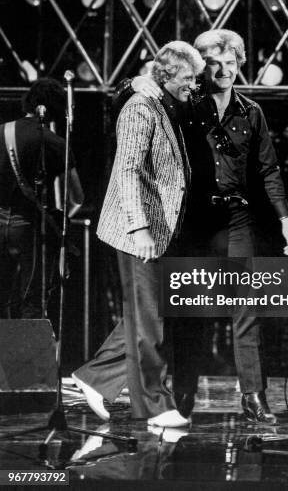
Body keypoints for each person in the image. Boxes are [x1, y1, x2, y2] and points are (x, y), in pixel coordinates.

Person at [73, 29, 288, 424]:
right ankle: (169, 390)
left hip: (236, 218)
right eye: (214, 64)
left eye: (231, 63)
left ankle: (253, 394)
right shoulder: (183, 103)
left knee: (245, 303)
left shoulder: (252, 112)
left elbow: (269, 169)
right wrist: (134, 82)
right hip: (189, 219)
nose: (223, 71)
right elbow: (133, 107)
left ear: (241, 66)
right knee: (172, 305)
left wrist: (286, 219)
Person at [73, 41, 204, 428]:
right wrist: (140, 227)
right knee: (151, 321)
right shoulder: (140, 108)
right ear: (165, 75)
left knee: (146, 314)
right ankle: (153, 405)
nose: (194, 84)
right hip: (138, 232)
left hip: (158, 230)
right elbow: (127, 170)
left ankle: (95, 378)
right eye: (189, 77)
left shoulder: (164, 105)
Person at [0, 78, 84, 319]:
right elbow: (77, 198)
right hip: (31, 228)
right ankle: (27, 356)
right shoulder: (55, 143)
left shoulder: (1, 131)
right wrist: (58, 219)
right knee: (33, 301)